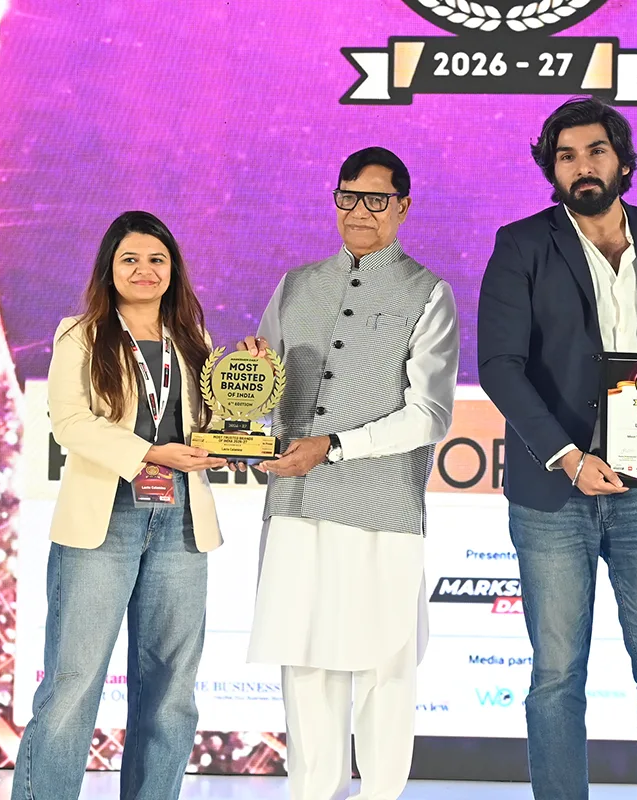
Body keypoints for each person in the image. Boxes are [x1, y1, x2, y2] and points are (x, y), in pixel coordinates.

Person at [477, 97, 637, 800]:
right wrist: (567, 456)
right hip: (554, 492)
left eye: (595, 151)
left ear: (622, 160)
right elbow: (499, 366)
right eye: (566, 156)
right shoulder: (521, 243)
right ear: (551, 169)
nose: (582, 166)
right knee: (556, 678)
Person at [239, 146, 459, 800]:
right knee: (304, 661)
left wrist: (332, 446)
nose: (360, 211)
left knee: (386, 666)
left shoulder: (428, 292)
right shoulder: (296, 285)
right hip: (296, 502)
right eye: (348, 196)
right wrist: (248, 391)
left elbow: (429, 414)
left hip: (382, 508)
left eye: (376, 199)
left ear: (403, 207)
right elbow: (264, 397)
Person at [12, 211, 225, 800]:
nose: (144, 270)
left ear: (173, 270)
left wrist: (247, 378)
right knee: (73, 683)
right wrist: (149, 453)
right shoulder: (79, 334)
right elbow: (70, 421)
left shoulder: (195, 339)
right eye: (130, 259)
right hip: (104, 524)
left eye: (157, 259)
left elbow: (211, 423)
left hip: (181, 523)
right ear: (109, 268)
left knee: (171, 691)